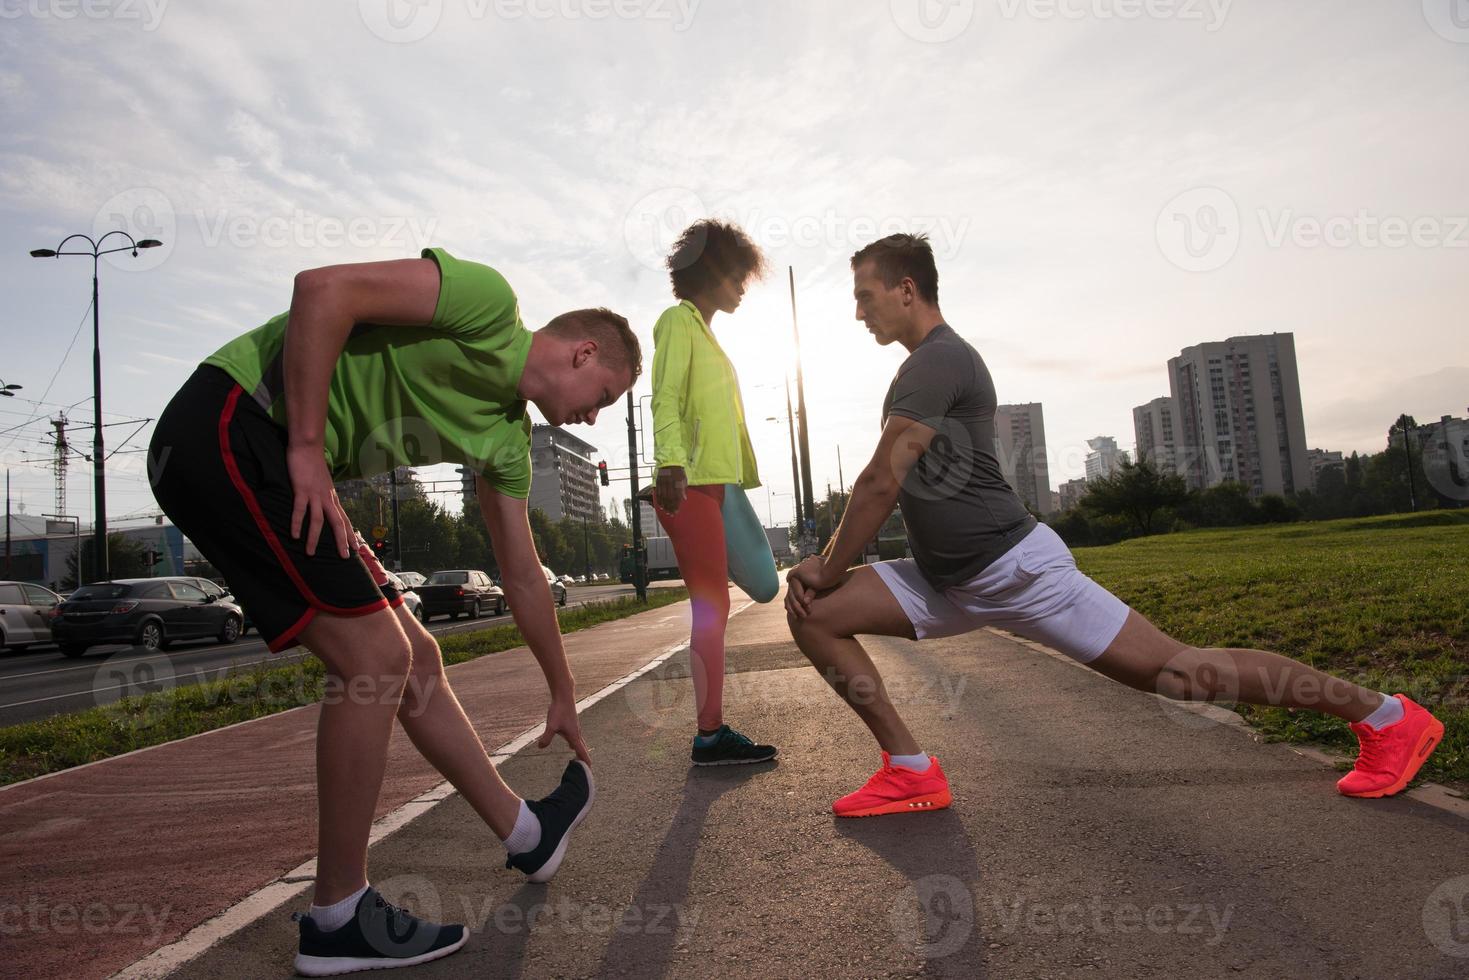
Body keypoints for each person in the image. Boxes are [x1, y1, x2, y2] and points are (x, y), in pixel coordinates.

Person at [784, 232, 1444, 818]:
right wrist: (830, 577)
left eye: (864, 294)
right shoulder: (921, 367)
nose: (858, 310)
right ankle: (909, 771)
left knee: (1182, 675)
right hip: (946, 578)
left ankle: (1386, 717)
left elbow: (879, 479)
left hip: (1013, 570)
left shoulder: (937, 361)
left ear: (906, 289)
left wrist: (830, 563)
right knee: (814, 612)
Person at [147, 248, 640, 974]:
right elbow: (323, 289)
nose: (596, 416)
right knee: (375, 659)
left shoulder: (505, 442)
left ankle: (525, 831)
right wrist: (310, 449)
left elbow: (525, 578)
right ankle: (338, 915)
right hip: (232, 419)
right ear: (583, 351)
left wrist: (562, 691)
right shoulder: (484, 300)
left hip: (280, 453)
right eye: (606, 394)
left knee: (417, 659)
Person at [650, 219, 782, 766]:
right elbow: (664, 396)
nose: (743, 285)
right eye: (736, 274)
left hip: (719, 483)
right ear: (710, 272)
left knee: (767, 584)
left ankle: (711, 731)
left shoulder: (708, 333)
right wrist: (670, 465)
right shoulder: (677, 323)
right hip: (689, 483)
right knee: (712, 605)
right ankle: (710, 734)